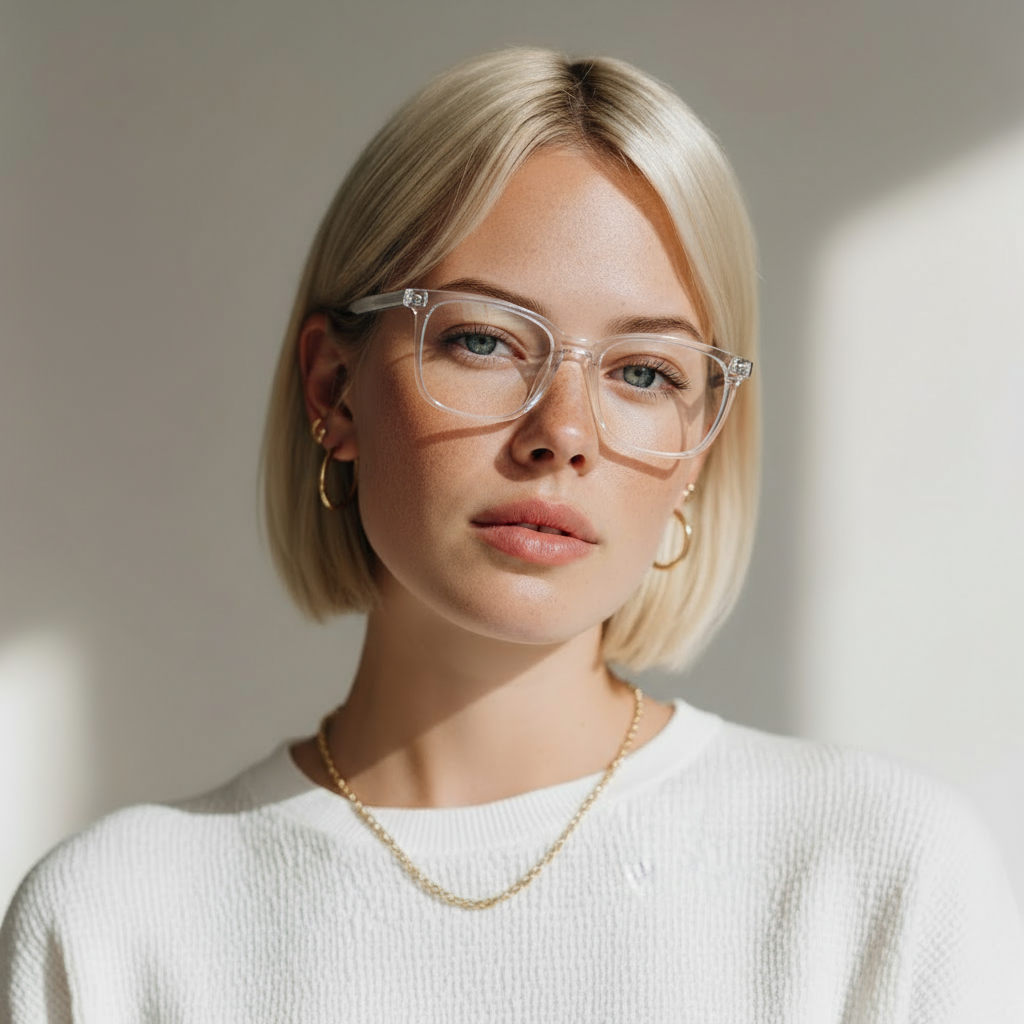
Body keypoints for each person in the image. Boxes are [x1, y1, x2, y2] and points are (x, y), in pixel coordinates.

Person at [2, 47, 1022, 1023]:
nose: (563, 434)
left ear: (698, 450)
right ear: (333, 389)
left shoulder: (877, 873)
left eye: (643, 372)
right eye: (482, 339)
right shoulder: (114, 920)